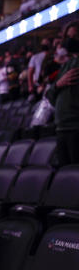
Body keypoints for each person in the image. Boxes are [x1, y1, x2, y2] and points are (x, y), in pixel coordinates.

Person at [47, 21, 79, 165]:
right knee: (65, 177)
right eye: (69, 36)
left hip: (76, 127)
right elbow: (50, 96)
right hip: (61, 128)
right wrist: (59, 84)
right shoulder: (67, 65)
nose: (72, 40)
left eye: (76, 36)